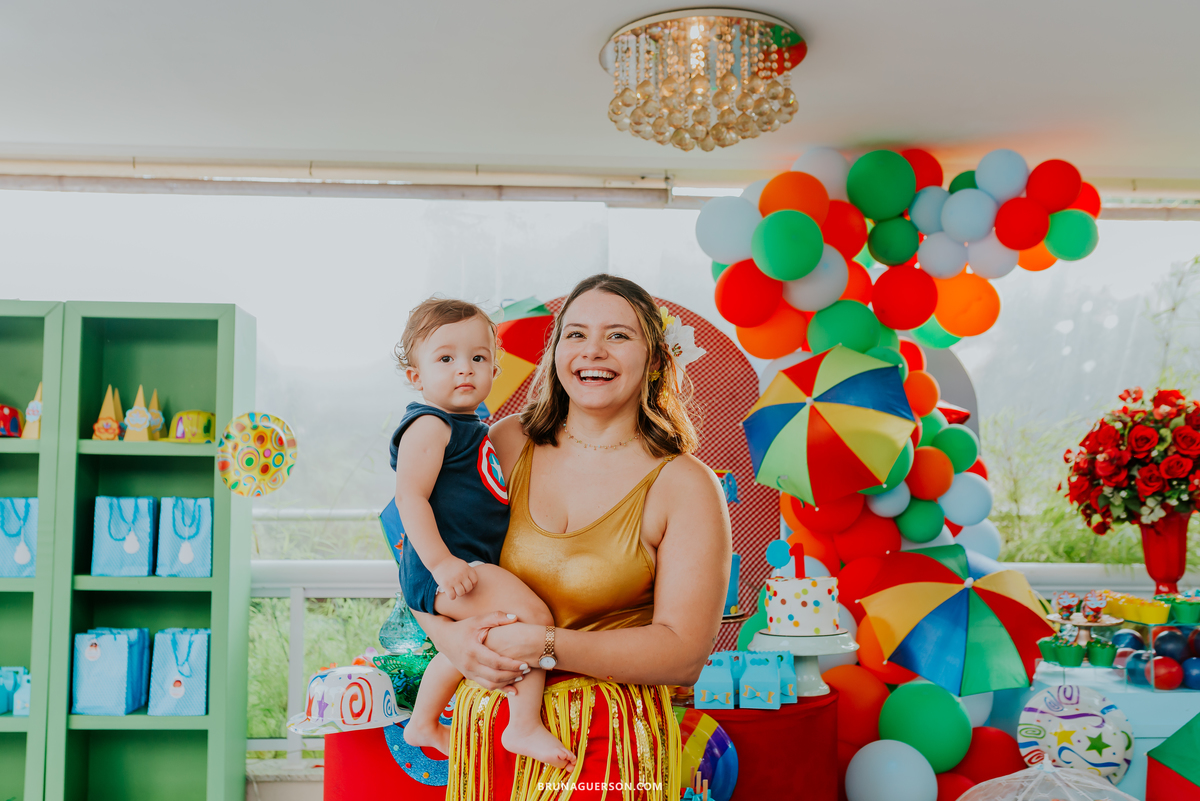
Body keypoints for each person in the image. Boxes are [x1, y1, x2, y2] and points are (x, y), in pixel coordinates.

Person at [410, 275, 732, 801]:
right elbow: (416, 550)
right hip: (488, 739)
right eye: (575, 334)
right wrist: (449, 640)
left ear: (655, 360)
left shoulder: (686, 485)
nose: (593, 352)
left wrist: (546, 645)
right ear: (556, 352)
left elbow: (683, 655)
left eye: (619, 336)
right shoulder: (504, 443)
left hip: (611, 746)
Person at [390, 297, 576, 768]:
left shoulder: (471, 426)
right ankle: (523, 725)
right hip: (449, 566)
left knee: (477, 636)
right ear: (417, 376)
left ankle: (423, 722)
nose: (464, 369)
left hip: (464, 563)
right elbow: (409, 498)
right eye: (446, 359)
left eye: (478, 358)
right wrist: (442, 563)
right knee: (531, 616)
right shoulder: (430, 425)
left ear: (495, 368)